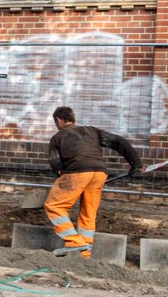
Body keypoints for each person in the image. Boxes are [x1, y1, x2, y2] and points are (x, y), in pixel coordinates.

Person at [45, 106, 142, 258]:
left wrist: (63, 182)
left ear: (58, 120)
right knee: (88, 212)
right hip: (99, 173)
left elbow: (56, 166)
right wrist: (136, 164)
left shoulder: (58, 137)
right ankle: (84, 253)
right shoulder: (92, 131)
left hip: (77, 172)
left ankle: (74, 242)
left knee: (54, 206)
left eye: (56, 122)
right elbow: (119, 141)